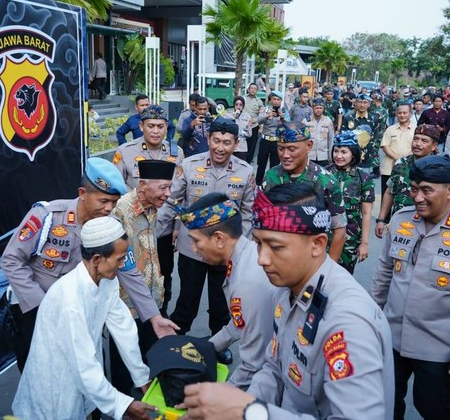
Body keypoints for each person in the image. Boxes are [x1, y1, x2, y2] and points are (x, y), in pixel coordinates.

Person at [181, 183, 394, 420]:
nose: (261, 259)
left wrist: (251, 411)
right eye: (259, 243)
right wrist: (232, 406)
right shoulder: (285, 287)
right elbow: (273, 368)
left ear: (317, 244)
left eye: (276, 246)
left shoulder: (348, 322)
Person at [1, 157, 177, 372]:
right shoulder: (48, 216)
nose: (109, 208)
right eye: (103, 201)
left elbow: (129, 271)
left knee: (86, 371)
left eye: (114, 202)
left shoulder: (111, 226)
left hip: (80, 313)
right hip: (35, 311)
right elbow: (11, 260)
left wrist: (154, 316)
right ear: (83, 194)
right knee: (41, 373)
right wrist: (44, 308)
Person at [372, 155, 450, 420]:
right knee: (385, 406)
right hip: (391, 339)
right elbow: (383, 275)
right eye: (414, 188)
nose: (417, 197)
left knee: (435, 410)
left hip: (438, 349)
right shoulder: (402, 220)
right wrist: (369, 322)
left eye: (427, 190)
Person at [12, 217, 158, 420]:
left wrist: (141, 377)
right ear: (97, 259)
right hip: (55, 385)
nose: (123, 264)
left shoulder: (106, 282)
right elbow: (83, 365)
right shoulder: (69, 300)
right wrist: (122, 405)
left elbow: (124, 329)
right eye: (119, 259)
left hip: (83, 376)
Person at [160, 117, 256, 364]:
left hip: (226, 254)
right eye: (216, 141)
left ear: (236, 143)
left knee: (221, 301)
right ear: (208, 139)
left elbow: (247, 213)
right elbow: (172, 202)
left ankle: (218, 342)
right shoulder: (189, 165)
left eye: (227, 142)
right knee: (187, 300)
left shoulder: (246, 173)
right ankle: (176, 339)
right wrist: (151, 235)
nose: (220, 148)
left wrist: (240, 249)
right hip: (192, 250)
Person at [178, 193, 276, 389]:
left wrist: (214, 398)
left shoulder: (246, 282)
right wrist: (207, 347)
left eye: (196, 240)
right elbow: (240, 321)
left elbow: (253, 365)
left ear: (219, 238)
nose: (194, 249)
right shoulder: (244, 255)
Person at [111, 159, 179, 393]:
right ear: (142, 185)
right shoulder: (120, 211)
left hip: (151, 299)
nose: (168, 194)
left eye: (170, 187)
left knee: (148, 354)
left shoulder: (152, 206)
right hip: (126, 304)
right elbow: (122, 265)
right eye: (163, 188)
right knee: (124, 359)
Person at [261, 121, 348, 261]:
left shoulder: (326, 181)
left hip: (312, 260)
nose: (285, 155)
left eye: (292, 149)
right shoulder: (271, 177)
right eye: (281, 148)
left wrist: (327, 270)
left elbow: (339, 230)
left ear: (309, 146)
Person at [375, 124, 440, 238]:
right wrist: (381, 219)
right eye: (415, 139)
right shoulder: (401, 163)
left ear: (434, 146)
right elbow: (389, 192)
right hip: (398, 225)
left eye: (424, 141)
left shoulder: (439, 168)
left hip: (425, 229)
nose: (418, 144)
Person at [326, 131, 375, 274]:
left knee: (343, 276)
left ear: (353, 153)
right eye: (336, 151)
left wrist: (364, 243)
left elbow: (366, 213)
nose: (338, 156)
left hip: (350, 238)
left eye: (343, 152)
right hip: (324, 235)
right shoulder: (324, 173)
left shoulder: (363, 177)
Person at [113, 105, 182, 191]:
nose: (156, 131)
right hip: (136, 203)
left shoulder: (177, 152)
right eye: (150, 126)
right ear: (141, 126)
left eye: (160, 127)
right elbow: (116, 185)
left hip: (168, 203)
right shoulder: (125, 151)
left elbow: (181, 186)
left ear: (166, 127)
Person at [380, 103, 415, 200]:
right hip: (389, 169)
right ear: (396, 114)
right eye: (399, 113)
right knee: (386, 196)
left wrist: (405, 161)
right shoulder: (390, 129)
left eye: (405, 113)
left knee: (404, 197)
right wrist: (399, 159)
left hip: (408, 169)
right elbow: (385, 146)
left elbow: (417, 148)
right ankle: (385, 216)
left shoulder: (416, 129)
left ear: (411, 114)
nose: (402, 115)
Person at [341, 93, 381, 174]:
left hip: (366, 158)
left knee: (365, 182)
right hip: (350, 157)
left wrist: (364, 153)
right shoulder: (348, 118)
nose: (362, 105)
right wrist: (353, 153)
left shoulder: (374, 119)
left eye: (365, 102)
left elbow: (375, 139)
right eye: (360, 102)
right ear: (355, 103)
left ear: (369, 104)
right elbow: (344, 138)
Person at [255, 91, 287, 186]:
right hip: (265, 140)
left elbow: (288, 125)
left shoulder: (284, 111)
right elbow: (258, 121)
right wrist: (267, 116)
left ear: (281, 101)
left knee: (275, 166)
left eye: (278, 99)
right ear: (270, 100)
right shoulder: (265, 110)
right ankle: (258, 184)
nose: (276, 101)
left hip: (276, 142)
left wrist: (282, 118)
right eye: (274, 99)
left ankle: (272, 184)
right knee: (261, 164)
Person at [305, 98, 335, 167]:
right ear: (313, 108)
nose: (318, 110)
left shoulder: (328, 121)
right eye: (317, 108)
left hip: (323, 155)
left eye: (321, 108)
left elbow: (331, 139)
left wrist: (330, 156)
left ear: (323, 109)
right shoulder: (306, 121)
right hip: (310, 155)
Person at [226, 95, 252, 162]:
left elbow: (249, 134)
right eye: (236, 104)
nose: (238, 107)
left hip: (241, 146)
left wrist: (242, 132)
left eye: (240, 105)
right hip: (230, 145)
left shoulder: (247, 116)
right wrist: (234, 117)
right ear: (234, 105)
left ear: (243, 106)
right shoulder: (228, 115)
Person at [243, 84, 264, 164]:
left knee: (252, 145)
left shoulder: (259, 101)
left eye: (255, 88)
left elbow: (262, 116)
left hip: (253, 126)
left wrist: (259, 126)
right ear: (248, 89)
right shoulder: (243, 99)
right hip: (243, 126)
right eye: (251, 88)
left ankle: (248, 162)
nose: (253, 90)